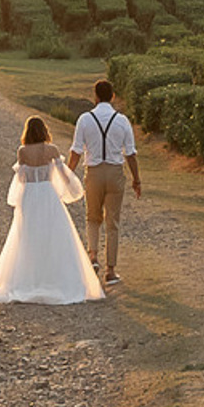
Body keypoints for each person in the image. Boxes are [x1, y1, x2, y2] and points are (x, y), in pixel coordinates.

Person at [0, 117, 106, 305]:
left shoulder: (22, 151)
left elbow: (21, 179)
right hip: (48, 194)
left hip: (30, 196)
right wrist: (72, 189)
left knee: (28, 235)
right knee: (54, 234)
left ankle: (29, 277)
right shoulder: (52, 150)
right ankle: (56, 277)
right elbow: (63, 174)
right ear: (44, 131)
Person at [68, 78, 142, 287]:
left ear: (96, 96)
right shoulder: (122, 120)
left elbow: (76, 151)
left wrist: (68, 174)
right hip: (115, 172)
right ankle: (110, 270)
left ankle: (93, 257)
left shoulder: (84, 119)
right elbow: (131, 153)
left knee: (92, 217)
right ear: (112, 97)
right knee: (113, 223)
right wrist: (137, 180)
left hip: (93, 172)